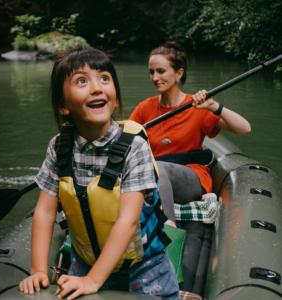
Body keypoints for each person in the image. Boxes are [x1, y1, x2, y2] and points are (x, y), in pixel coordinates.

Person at [19, 47, 178, 299]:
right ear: (63, 106)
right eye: (81, 81)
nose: (96, 88)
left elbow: (128, 221)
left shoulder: (134, 146)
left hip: (144, 266)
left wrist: (93, 280)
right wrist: (38, 269)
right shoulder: (59, 147)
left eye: (104, 78)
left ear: (114, 97)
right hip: (85, 261)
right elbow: (45, 211)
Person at [129, 41, 251, 295]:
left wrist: (214, 106)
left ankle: (169, 229)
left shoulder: (197, 108)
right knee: (153, 170)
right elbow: (125, 140)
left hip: (191, 178)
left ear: (179, 73)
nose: (155, 77)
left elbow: (244, 128)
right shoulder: (145, 108)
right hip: (154, 177)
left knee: (159, 167)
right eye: (151, 72)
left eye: (161, 71)